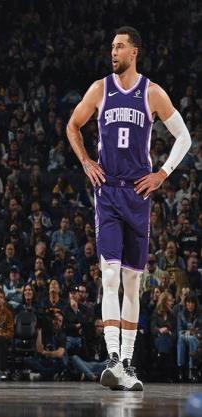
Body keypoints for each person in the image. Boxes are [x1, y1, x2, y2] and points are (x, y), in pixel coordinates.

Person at [67, 26, 191, 391]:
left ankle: (127, 363)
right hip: (108, 192)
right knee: (109, 276)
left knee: (132, 282)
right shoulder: (100, 89)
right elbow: (73, 126)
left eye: (120, 47)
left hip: (138, 195)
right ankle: (112, 357)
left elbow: (184, 137)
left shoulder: (152, 92)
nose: (113, 52)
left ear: (134, 52)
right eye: (112, 47)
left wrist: (163, 174)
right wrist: (86, 161)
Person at [177, 294, 201, 382]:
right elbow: (179, 330)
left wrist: (195, 333)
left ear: (195, 304)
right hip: (184, 336)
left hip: (197, 337)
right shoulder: (181, 314)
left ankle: (192, 369)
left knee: (191, 339)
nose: (190, 305)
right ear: (185, 303)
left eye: (192, 302)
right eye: (188, 302)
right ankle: (180, 369)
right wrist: (186, 332)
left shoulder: (200, 314)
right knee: (181, 338)